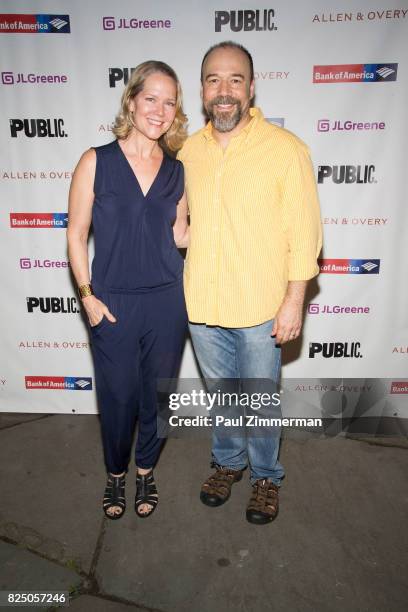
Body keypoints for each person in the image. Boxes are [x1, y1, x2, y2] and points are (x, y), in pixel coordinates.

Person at [177, 42, 322, 524]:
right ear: (202, 91)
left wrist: (294, 301)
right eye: (214, 80)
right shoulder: (186, 152)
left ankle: (265, 477)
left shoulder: (286, 149)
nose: (224, 91)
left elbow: (305, 233)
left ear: (251, 87)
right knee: (222, 397)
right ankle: (228, 463)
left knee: (259, 400)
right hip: (202, 304)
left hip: (261, 305)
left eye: (235, 80)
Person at [67, 61, 189, 520]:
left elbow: (179, 235)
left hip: (166, 303)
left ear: (177, 110)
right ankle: (115, 474)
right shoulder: (95, 160)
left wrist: (235, 232)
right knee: (117, 397)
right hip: (112, 301)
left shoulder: (177, 171)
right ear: (132, 100)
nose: (159, 110)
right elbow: (76, 234)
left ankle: (145, 472)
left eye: (170, 101)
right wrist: (88, 297)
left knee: (156, 397)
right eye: (151, 98)